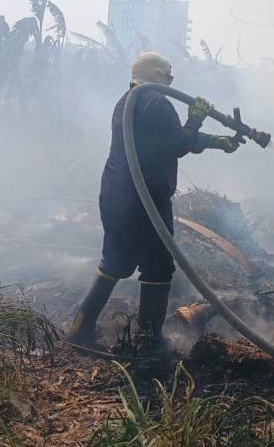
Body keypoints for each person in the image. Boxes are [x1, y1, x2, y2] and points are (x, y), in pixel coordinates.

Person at [66, 52, 242, 349]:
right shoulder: (157, 102)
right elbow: (178, 143)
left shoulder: (128, 100)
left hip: (115, 196)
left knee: (114, 262)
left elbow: (163, 142)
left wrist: (216, 142)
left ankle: (79, 330)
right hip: (143, 200)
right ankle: (148, 343)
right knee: (158, 267)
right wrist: (196, 118)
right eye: (169, 76)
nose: (172, 82)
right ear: (159, 75)